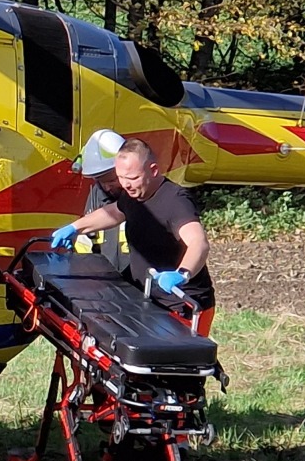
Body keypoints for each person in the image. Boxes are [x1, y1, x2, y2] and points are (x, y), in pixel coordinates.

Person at [50, 137, 216, 334]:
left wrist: (181, 274)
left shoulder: (176, 201)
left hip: (182, 303)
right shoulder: (133, 195)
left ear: (153, 170)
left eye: (133, 178)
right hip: (148, 297)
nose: (126, 185)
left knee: (177, 362)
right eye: (121, 178)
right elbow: (113, 213)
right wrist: (74, 228)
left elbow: (199, 243)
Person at [74, 128, 129, 272]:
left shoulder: (142, 196)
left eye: (112, 180)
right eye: (100, 180)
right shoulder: (97, 194)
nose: (107, 186)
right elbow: (87, 244)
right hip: (109, 284)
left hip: (141, 286)